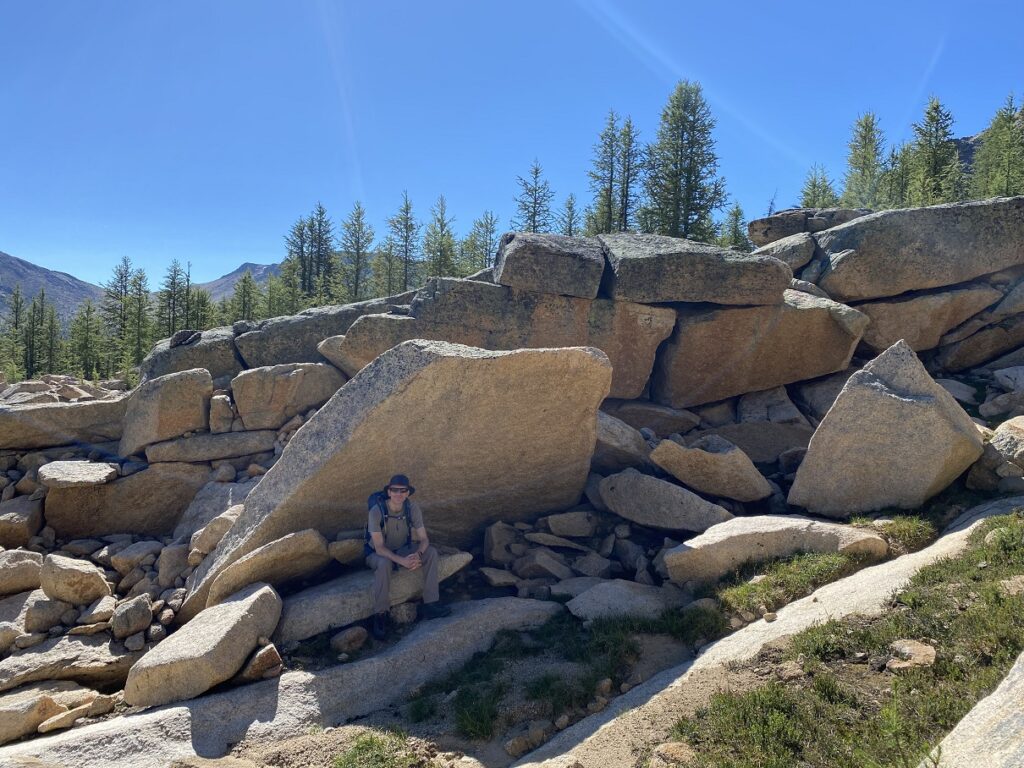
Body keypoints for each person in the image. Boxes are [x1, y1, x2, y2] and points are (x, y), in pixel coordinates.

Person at [365, 473, 451, 640]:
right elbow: (379, 548)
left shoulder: (412, 508)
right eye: (395, 490)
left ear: (408, 493)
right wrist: (402, 561)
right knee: (384, 565)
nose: (399, 494)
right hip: (377, 554)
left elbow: (424, 539)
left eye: (403, 491)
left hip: (402, 549)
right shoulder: (377, 511)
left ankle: (430, 604)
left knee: (431, 552)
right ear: (389, 492)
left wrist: (418, 554)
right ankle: (380, 614)